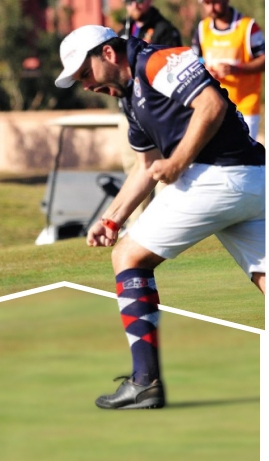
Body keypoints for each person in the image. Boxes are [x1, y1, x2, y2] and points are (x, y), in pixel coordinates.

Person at [55, 25, 265, 410]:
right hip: (253, 183)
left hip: (218, 176)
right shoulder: (130, 99)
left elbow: (211, 106)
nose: (85, 85)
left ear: (107, 54)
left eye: (84, 74)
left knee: (128, 257)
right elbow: (146, 166)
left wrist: (180, 160)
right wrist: (113, 218)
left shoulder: (157, 61)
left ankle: (145, 382)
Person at [118, 0, 183, 225]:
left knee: (159, 171)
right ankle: (136, 227)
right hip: (129, 112)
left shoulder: (164, 29)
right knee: (134, 167)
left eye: (139, 0)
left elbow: (173, 67)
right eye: (129, 1)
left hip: (156, 113)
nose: (134, 5)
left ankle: (162, 224)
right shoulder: (123, 31)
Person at [192, 0, 265, 140]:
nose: (211, 8)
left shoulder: (248, 26)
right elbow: (196, 60)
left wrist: (236, 69)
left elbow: (264, 60)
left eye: (215, 2)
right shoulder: (203, 28)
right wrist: (205, 70)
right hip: (214, 105)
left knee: (246, 157)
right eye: (207, 3)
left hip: (245, 106)